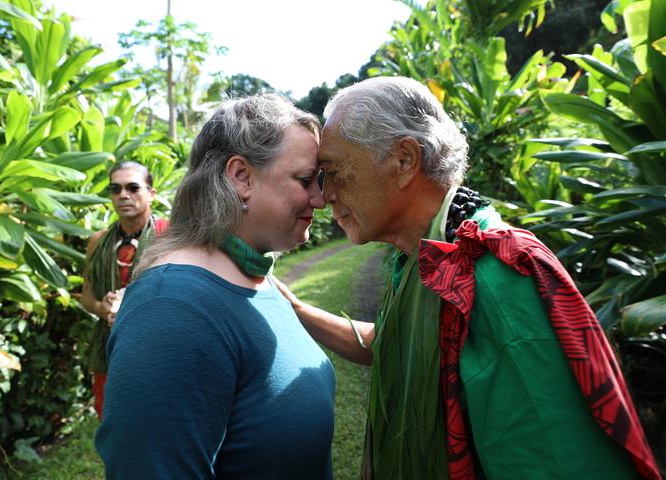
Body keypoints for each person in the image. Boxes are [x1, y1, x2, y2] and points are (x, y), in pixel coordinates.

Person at [275, 76, 661, 480]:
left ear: (404, 160)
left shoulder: (497, 280)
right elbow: (393, 342)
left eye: (334, 172)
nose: (323, 195)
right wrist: (296, 310)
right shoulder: (424, 258)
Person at [94, 94, 335, 479]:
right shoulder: (173, 307)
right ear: (241, 176)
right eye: (305, 180)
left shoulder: (253, 274)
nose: (321, 200)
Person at [80, 161, 168, 420]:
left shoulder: (170, 235)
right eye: (115, 189)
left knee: (158, 421)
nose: (123, 195)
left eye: (132, 187)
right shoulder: (98, 241)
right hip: (111, 348)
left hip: (159, 347)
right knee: (113, 422)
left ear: (150, 193)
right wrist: (103, 309)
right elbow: (87, 296)